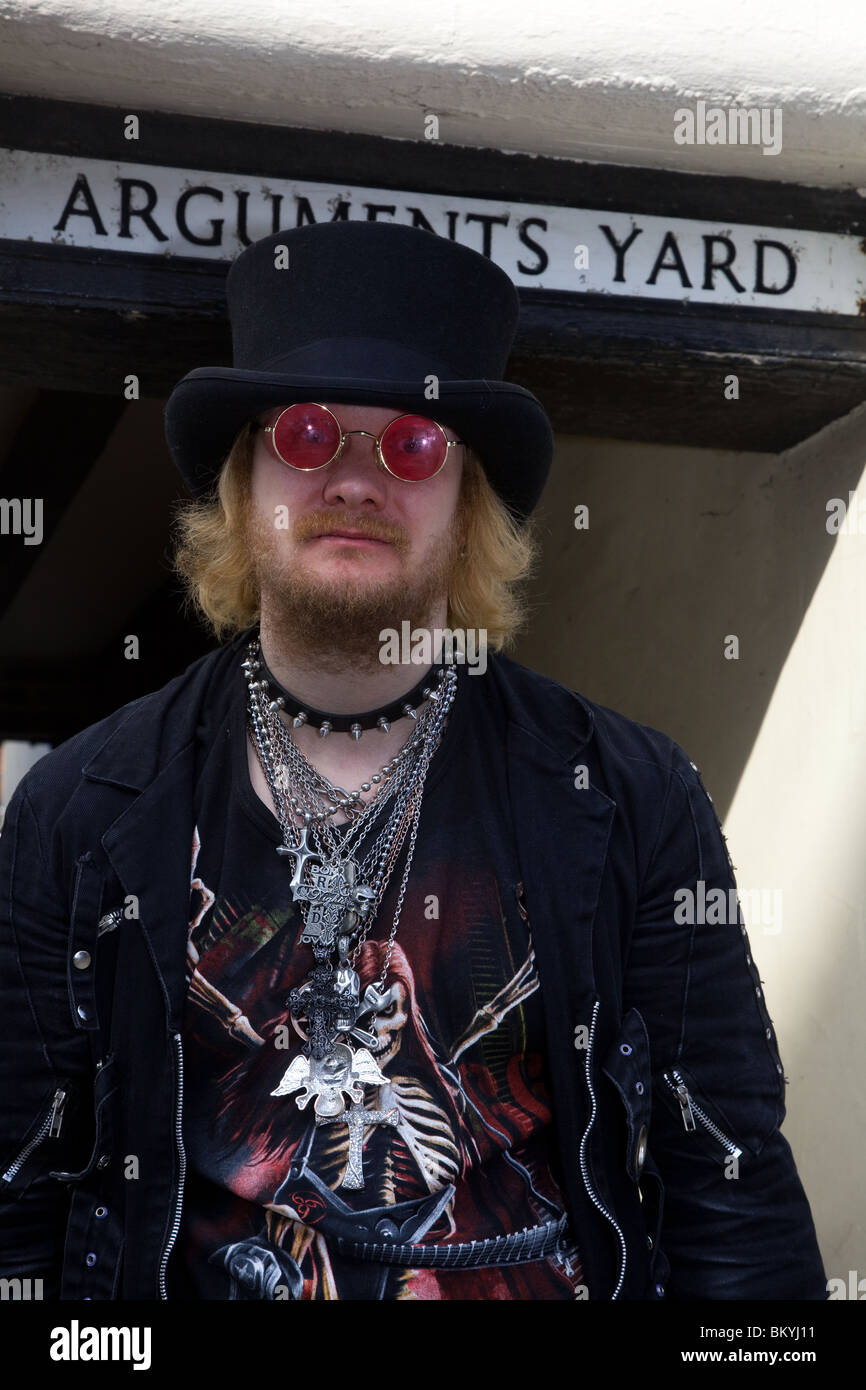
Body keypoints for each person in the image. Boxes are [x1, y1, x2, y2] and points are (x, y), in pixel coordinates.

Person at [0, 221, 825, 1301]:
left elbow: (727, 1180)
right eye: (305, 434)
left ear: (465, 497)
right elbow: (19, 1190)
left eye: (411, 446)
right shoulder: (84, 803)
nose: (353, 479)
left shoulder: (627, 795)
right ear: (246, 485)